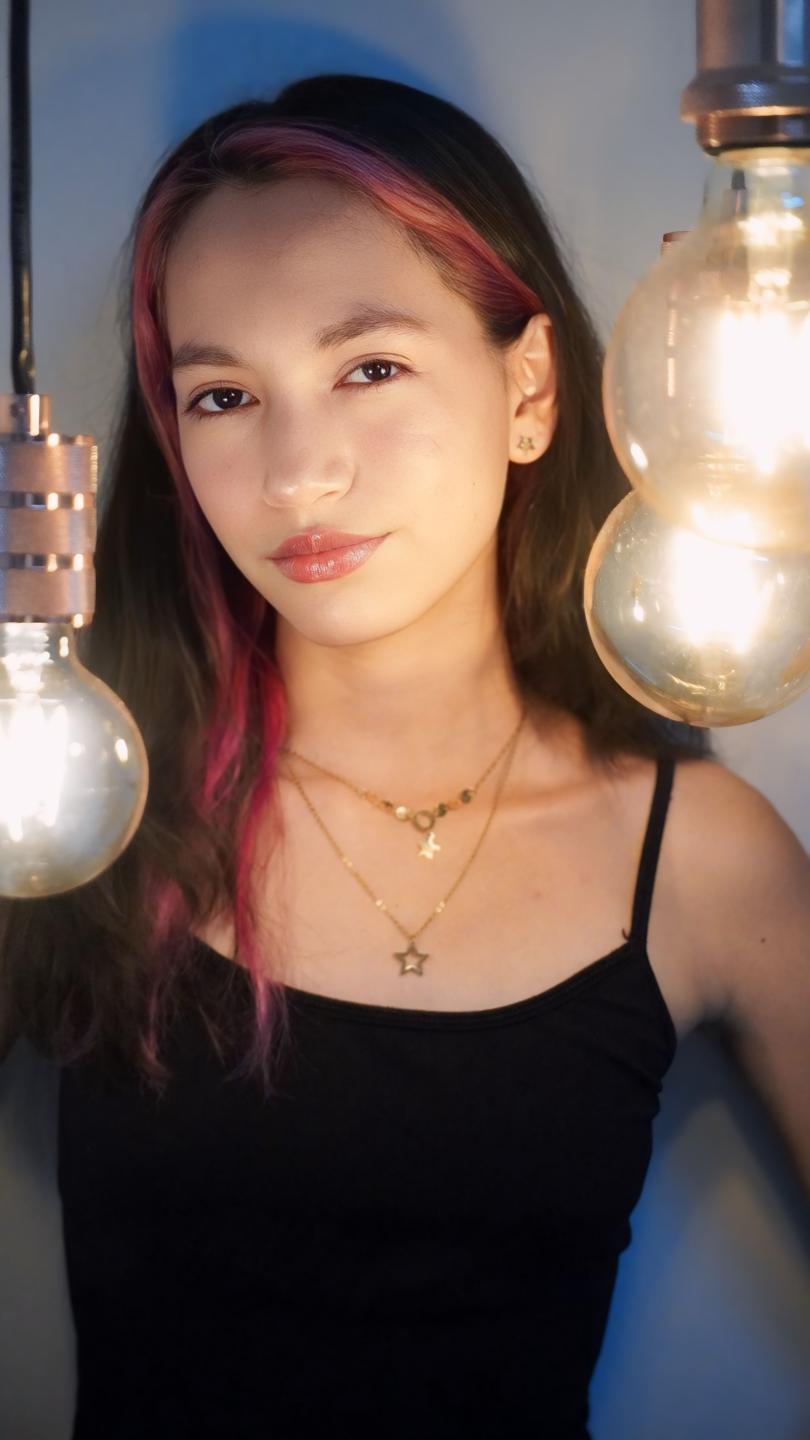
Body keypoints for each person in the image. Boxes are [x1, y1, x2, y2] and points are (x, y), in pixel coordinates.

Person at [1, 71, 808, 1440]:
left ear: (528, 389)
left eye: (368, 368)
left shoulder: (697, 857)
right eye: (222, 396)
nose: (297, 472)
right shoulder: (70, 801)